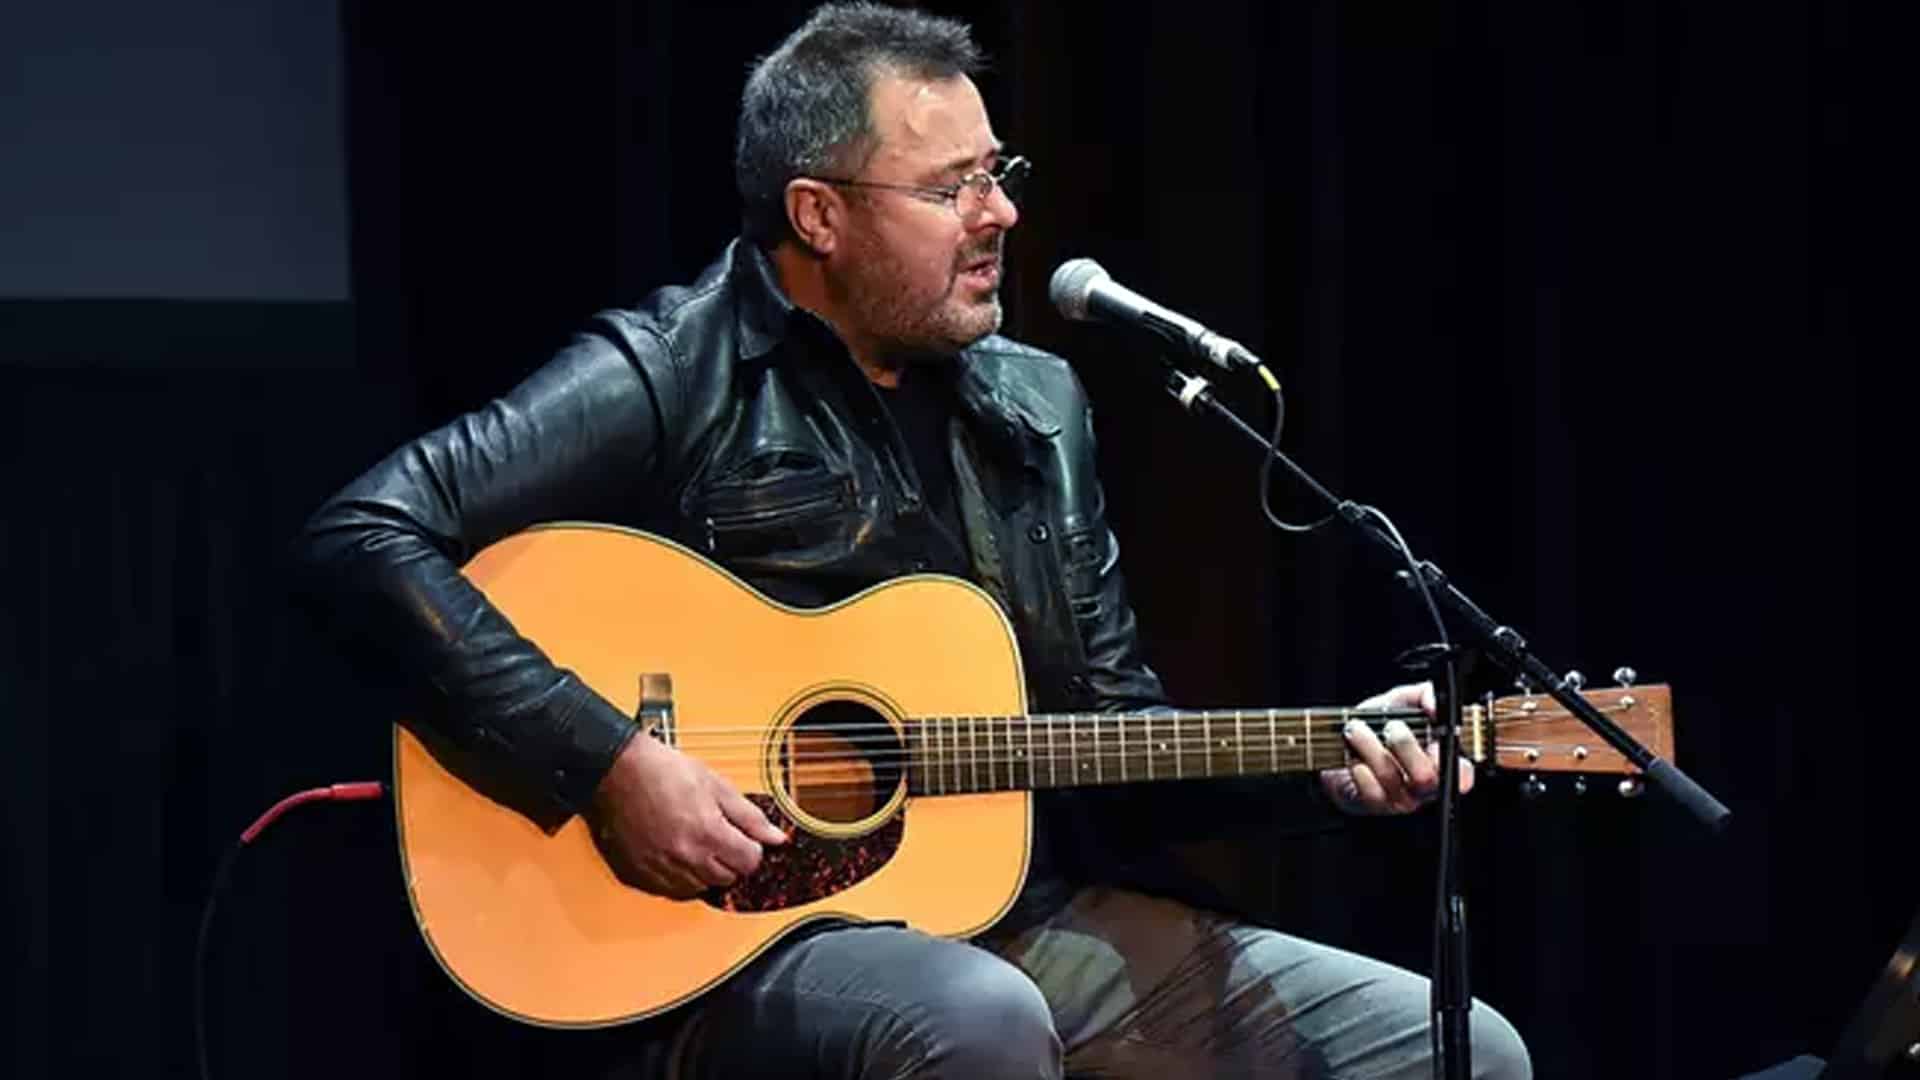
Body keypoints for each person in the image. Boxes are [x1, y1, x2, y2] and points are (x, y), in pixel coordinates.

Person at [297, 3, 1531, 1076]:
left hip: (1014, 915)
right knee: (976, 1017)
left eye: (1000, 173)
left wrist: (1321, 767)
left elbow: (1108, 739)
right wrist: (613, 763)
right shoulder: (678, 369)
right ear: (817, 214)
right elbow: (363, 533)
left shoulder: (1038, 411)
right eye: (949, 188)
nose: (997, 214)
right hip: (734, 940)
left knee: (1461, 1048)